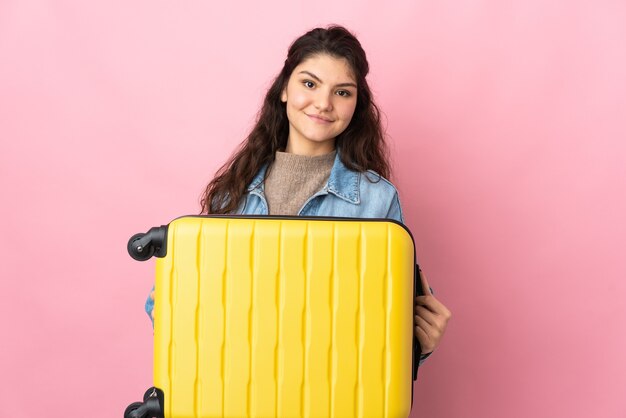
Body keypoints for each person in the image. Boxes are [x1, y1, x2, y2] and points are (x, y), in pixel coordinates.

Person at [145, 25, 451, 362]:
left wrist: (423, 340)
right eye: (310, 84)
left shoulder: (377, 199)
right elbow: (176, 304)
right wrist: (170, 307)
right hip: (240, 385)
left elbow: (393, 325)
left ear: (356, 105)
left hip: (334, 393)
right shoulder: (233, 190)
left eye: (343, 92)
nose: (323, 103)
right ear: (284, 90)